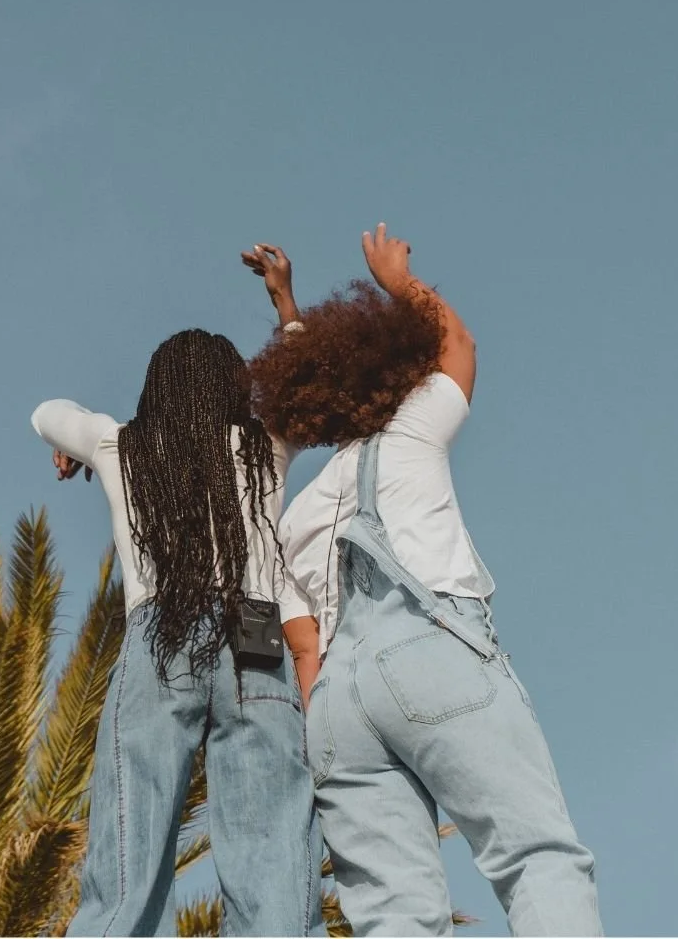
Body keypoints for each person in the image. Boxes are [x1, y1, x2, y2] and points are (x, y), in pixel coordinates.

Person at [245, 226, 602, 937]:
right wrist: (399, 282)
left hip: (337, 708)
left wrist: (287, 309)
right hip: (428, 653)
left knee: (394, 916)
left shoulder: (291, 520)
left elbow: (306, 653)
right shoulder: (410, 429)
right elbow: (458, 346)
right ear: (390, 372)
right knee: (534, 857)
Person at [31, 260, 320, 938]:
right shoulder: (265, 443)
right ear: (237, 390)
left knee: (127, 849)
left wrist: (72, 447)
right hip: (255, 638)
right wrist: (286, 304)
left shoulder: (120, 445)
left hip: (160, 635)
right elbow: (304, 381)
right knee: (274, 846)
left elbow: (46, 413)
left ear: (154, 389)